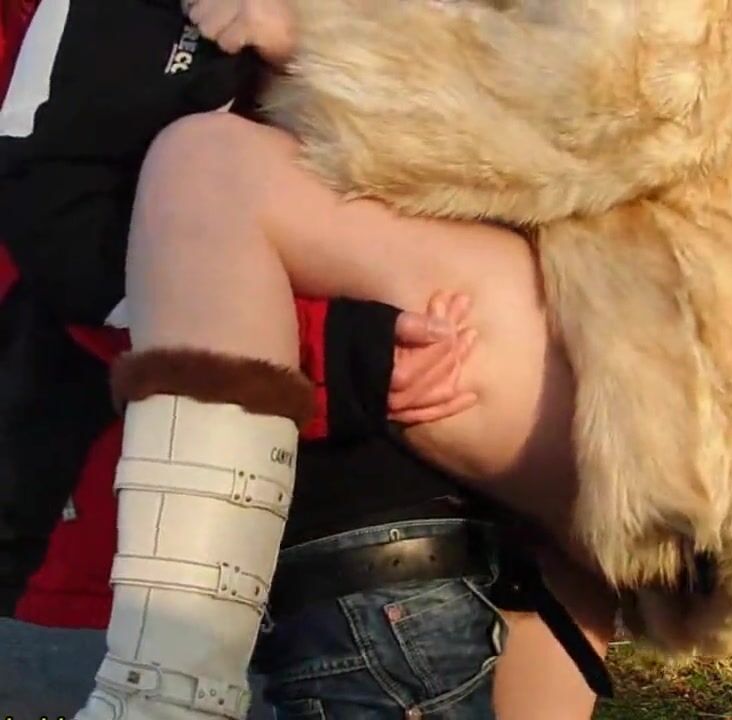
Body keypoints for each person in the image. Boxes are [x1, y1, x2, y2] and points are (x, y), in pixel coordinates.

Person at [0, 0, 614, 717]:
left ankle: (165, 693)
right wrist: (340, 350)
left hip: (593, 382)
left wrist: (330, 46)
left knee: (205, 167)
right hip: (473, 481)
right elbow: (69, 220)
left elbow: (629, 114)